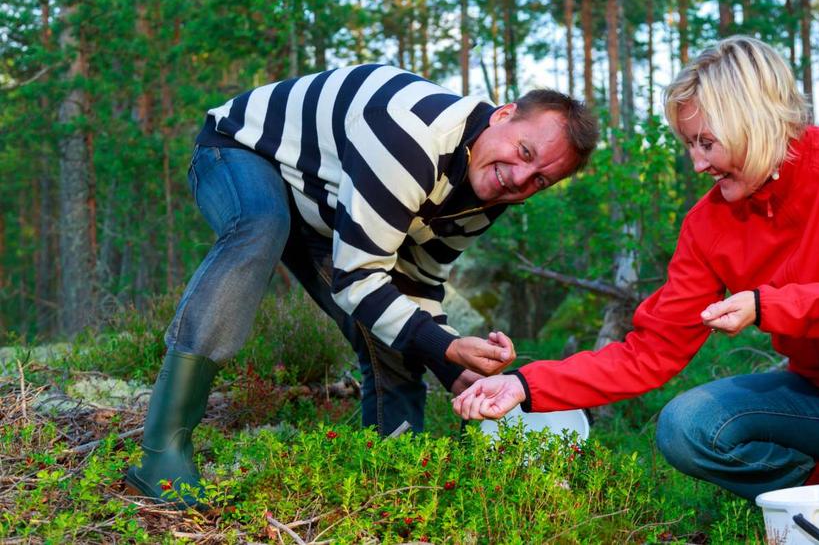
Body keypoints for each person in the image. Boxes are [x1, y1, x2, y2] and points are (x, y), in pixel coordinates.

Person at [454, 36, 819, 501]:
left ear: (752, 120)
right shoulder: (707, 226)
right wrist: (526, 384)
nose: (696, 162)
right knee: (687, 425)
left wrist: (770, 304)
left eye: (706, 142)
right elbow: (650, 352)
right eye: (689, 144)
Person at [125, 64, 599, 505]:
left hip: (326, 209)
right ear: (504, 115)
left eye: (539, 180)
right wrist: (446, 349)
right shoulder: (411, 132)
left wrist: (455, 369)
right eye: (524, 153)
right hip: (243, 151)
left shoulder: (489, 192)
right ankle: (162, 450)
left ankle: (395, 477)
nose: (518, 179)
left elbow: (419, 284)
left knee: (394, 329)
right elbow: (357, 280)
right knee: (261, 226)